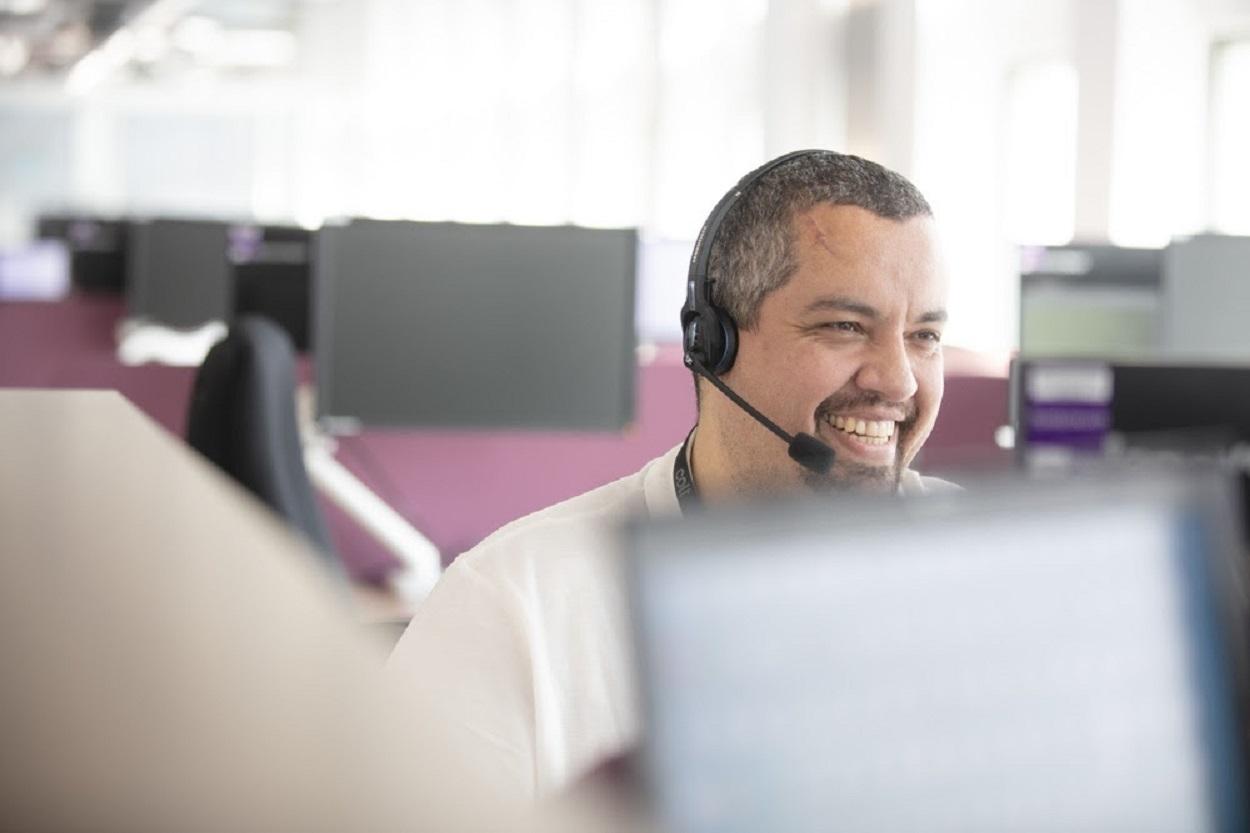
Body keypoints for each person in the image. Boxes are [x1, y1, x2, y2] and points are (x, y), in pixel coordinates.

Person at [386, 150, 957, 802]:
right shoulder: (513, 610)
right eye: (846, 326)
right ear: (714, 343)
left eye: (924, 337)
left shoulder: (996, 573)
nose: (899, 380)